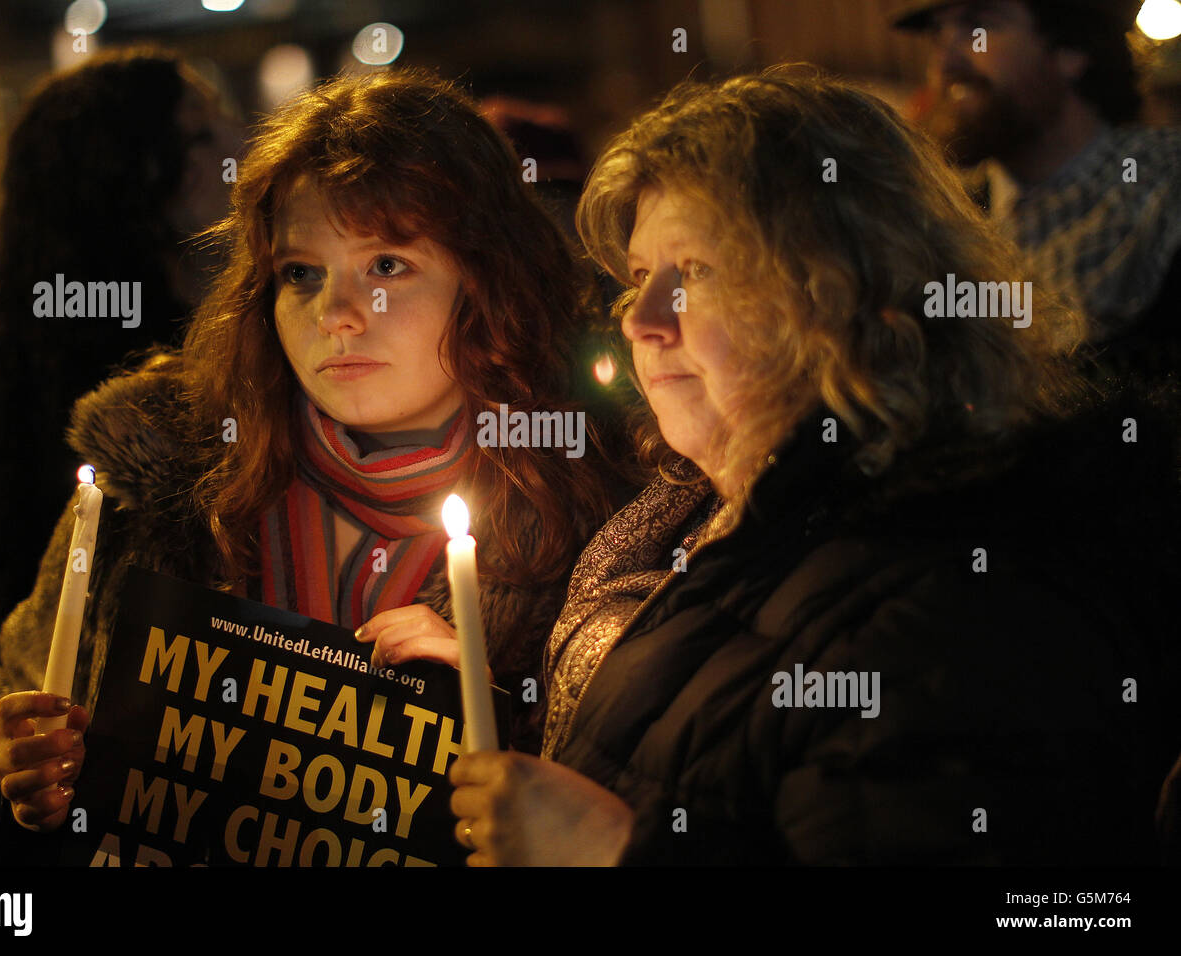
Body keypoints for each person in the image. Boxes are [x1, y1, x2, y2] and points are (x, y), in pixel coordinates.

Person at [448, 68, 1181, 866]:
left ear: (845, 294)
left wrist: (614, 853)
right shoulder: (711, 528)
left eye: (694, 273)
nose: (645, 324)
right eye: (638, 279)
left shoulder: (951, 608)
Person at [0, 68, 621, 866]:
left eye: (387, 265)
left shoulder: (593, 506)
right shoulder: (159, 483)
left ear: (485, 276)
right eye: (301, 272)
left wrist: (491, 715)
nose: (336, 313)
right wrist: (17, 786)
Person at [0, 47, 245, 867]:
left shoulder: (255, 337)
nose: (236, 135)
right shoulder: (74, 396)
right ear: (134, 180)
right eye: (198, 130)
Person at [891, 0, 1181, 379]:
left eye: (978, 26)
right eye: (937, 34)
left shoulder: (1165, 192)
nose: (945, 64)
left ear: (1070, 51)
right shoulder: (938, 222)